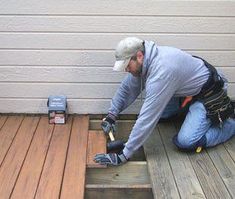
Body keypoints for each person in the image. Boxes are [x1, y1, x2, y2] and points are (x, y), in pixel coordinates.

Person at [94, 37, 235, 166]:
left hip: (209, 94)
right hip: (187, 92)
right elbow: (127, 89)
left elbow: (147, 117)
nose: (126, 70)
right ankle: (189, 112)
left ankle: (230, 124)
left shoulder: (162, 72)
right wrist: (112, 115)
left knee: (186, 141)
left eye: (127, 65)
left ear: (139, 56)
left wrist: (125, 154)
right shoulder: (144, 61)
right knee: (162, 115)